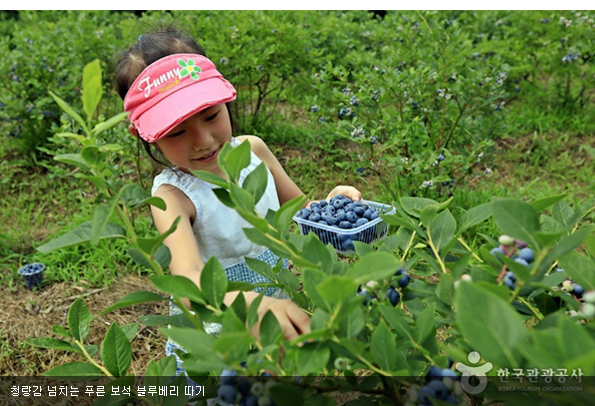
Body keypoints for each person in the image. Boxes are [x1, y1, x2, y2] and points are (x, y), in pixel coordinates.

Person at [114, 28, 362, 379]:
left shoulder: (254, 152)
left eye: (211, 116)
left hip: (273, 319)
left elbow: (303, 214)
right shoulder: (172, 196)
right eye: (177, 132)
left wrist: (333, 207)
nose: (202, 141)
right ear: (145, 134)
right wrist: (252, 306)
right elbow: (188, 282)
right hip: (217, 342)